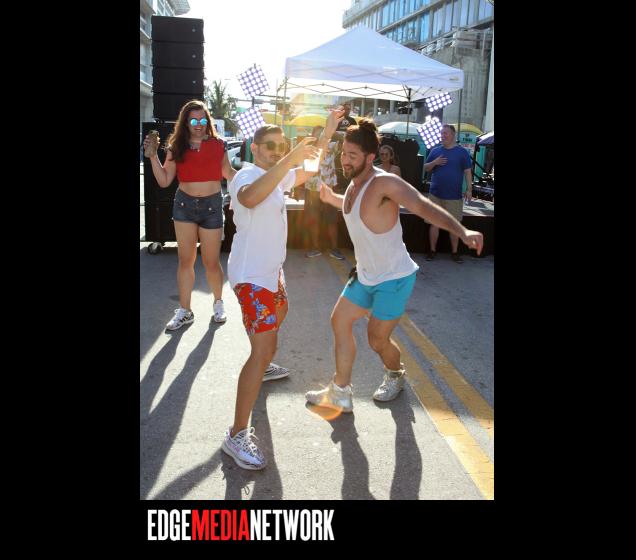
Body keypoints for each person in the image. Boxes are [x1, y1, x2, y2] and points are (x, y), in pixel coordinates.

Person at [305, 119, 483, 413]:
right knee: (339, 321)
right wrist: (330, 197)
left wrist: (462, 231)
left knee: (377, 340)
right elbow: (353, 208)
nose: (345, 160)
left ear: (370, 157)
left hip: (394, 277)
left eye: (352, 155)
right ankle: (340, 392)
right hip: (365, 275)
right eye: (344, 153)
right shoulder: (354, 184)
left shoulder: (385, 183)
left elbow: (422, 206)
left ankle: (395, 374)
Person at [222, 110, 344, 470]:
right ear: (255, 147)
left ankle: (262, 364)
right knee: (262, 349)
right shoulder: (247, 174)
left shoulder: (276, 175)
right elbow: (248, 198)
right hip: (251, 276)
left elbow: (307, 169)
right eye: (271, 146)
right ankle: (236, 434)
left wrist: (327, 135)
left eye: (282, 145)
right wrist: (289, 158)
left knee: (278, 318)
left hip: (271, 272)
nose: (278, 151)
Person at [143, 99, 235, 330]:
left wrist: (253, 179)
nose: (198, 124)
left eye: (202, 120)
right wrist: (152, 156)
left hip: (212, 206)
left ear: (208, 121)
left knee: (211, 262)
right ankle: (185, 311)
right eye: (193, 120)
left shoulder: (218, 144)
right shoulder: (176, 147)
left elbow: (228, 172)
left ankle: (218, 302)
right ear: (185, 122)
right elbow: (164, 180)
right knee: (186, 261)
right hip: (184, 206)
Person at [423, 124, 473, 263]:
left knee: (454, 226)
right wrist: (435, 162)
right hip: (435, 195)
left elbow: (467, 172)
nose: (443, 135)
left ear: (453, 135)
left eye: (446, 133)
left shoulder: (462, 152)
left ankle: (455, 253)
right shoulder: (435, 151)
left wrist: (469, 189)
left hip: (454, 196)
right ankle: (432, 251)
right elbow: (426, 168)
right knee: (434, 224)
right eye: (442, 133)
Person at [303, 126, 345, 260]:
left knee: (332, 220)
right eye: (317, 134)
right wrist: (298, 190)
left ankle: (334, 249)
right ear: (312, 135)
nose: (319, 137)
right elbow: (301, 168)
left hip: (328, 188)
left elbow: (344, 138)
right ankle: (315, 248)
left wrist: (332, 131)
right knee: (313, 220)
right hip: (312, 189)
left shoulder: (332, 146)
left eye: (322, 134)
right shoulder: (308, 149)